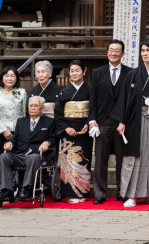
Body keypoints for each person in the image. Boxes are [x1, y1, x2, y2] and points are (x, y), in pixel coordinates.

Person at [113, 39, 149, 207]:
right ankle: (131, 195)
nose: (144, 53)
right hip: (135, 122)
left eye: (148, 50)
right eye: (142, 50)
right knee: (135, 156)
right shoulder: (132, 74)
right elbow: (123, 99)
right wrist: (121, 121)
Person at [88, 39, 130, 204]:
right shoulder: (98, 72)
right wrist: (92, 120)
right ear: (107, 52)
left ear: (123, 53)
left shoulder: (130, 72)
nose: (113, 53)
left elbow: (130, 100)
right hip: (102, 122)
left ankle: (122, 191)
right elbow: (93, 99)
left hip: (121, 123)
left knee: (122, 160)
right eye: (111, 50)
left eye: (117, 50)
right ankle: (100, 193)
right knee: (100, 159)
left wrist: (124, 120)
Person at [0, 96, 56, 203]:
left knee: (33, 157)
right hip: (20, 154)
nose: (32, 108)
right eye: (30, 106)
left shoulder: (49, 122)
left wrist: (47, 142)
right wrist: (10, 143)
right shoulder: (21, 121)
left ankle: (26, 189)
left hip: (37, 155)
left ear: (42, 108)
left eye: (36, 106)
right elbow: (15, 139)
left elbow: (53, 138)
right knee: (4, 156)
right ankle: (7, 190)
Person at [54, 59, 92, 203]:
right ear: (69, 73)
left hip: (84, 131)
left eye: (78, 70)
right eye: (72, 71)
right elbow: (58, 113)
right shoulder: (64, 92)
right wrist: (66, 127)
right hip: (68, 132)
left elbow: (93, 110)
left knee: (83, 161)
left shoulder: (89, 91)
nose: (75, 73)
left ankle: (82, 193)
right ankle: (69, 193)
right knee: (69, 163)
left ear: (83, 72)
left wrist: (88, 123)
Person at [0, 66, 27, 189]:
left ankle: (21, 187)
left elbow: (24, 113)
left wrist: (22, 130)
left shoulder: (20, 92)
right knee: (0, 159)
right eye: (6, 75)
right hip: (1, 132)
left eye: (12, 76)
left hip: (18, 132)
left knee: (19, 159)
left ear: (16, 78)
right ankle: (2, 188)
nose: (9, 78)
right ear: (2, 78)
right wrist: (4, 130)